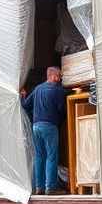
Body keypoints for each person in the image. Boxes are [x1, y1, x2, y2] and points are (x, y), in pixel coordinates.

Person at [21, 66, 67, 195]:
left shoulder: (37, 89)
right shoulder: (57, 90)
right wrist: (60, 122)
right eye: (58, 76)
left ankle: (38, 187)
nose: (60, 79)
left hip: (36, 126)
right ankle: (50, 187)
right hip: (49, 126)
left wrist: (23, 96)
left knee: (39, 156)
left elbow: (25, 105)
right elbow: (62, 110)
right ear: (52, 76)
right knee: (52, 156)